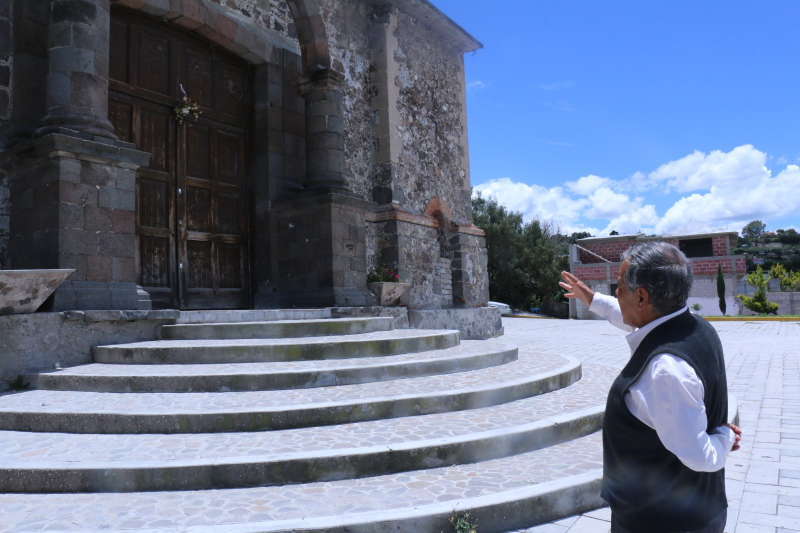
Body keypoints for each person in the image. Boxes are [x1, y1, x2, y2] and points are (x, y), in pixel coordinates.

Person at [559, 241, 742, 533]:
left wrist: (725, 437)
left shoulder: (665, 371)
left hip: (661, 522)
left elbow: (701, 457)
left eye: (619, 286)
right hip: (694, 513)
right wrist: (592, 299)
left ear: (642, 296)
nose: (616, 292)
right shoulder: (695, 327)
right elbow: (632, 319)